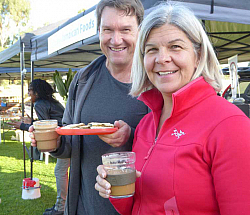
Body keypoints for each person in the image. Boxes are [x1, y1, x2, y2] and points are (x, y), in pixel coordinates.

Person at [95, 3, 250, 215]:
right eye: (152, 50)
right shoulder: (145, 125)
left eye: (175, 47)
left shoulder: (231, 126)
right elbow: (141, 206)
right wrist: (117, 190)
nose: (162, 58)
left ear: (198, 55)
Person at [30, 0, 147, 214]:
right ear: (98, 31)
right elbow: (69, 142)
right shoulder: (84, 79)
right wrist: (54, 141)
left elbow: (174, 147)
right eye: (108, 30)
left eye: (125, 30)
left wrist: (131, 136)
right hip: (85, 206)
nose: (116, 39)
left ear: (140, 30)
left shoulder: (155, 82)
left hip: (138, 206)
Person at [9, 79, 68, 215]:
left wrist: (23, 126)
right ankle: (63, 204)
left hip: (65, 142)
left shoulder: (40, 104)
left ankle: (61, 207)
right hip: (70, 137)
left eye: (30, 89)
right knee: (62, 171)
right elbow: (48, 121)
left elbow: (45, 127)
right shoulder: (53, 102)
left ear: (37, 91)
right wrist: (33, 122)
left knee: (60, 172)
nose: (29, 92)